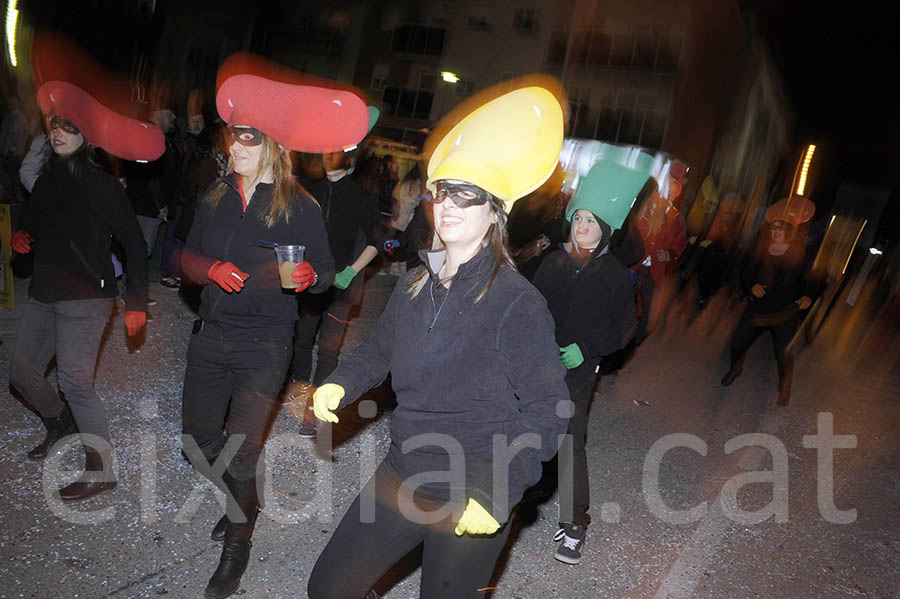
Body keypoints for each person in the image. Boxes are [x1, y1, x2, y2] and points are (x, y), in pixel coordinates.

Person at [307, 86, 570, 599]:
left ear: (494, 213)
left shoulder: (516, 302)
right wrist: (339, 384)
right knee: (329, 589)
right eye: (443, 190)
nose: (449, 203)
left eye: (467, 193)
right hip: (402, 473)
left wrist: (499, 490)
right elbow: (380, 349)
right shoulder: (414, 282)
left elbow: (548, 407)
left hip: (473, 489)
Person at [179, 62, 373, 598]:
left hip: (266, 343)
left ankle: (236, 545)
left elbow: (326, 275)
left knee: (241, 451)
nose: (234, 147)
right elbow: (180, 253)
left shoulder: (302, 207)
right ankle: (246, 498)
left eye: (245, 138)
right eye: (232, 136)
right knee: (197, 439)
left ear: (270, 147)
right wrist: (207, 269)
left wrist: (310, 278)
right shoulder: (214, 196)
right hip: (211, 333)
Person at [8, 80, 160, 501]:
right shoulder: (44, 181)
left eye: (69, 128)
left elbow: (133, 242)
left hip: (88, 298)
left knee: (75, 381)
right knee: (21, 373)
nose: (58, 133)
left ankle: (102, 469)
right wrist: (22, 239)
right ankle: (59, 425)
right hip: (45, 292)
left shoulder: (102, 185)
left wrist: (134, 303)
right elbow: (35, 229)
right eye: (55, 125)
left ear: (86, 136)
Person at [530, 147, 650, 564]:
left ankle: (574, 524)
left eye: (590, 221)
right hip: (537, 362)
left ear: (604, 228)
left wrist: (588, 350)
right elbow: (531, 308)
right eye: (578, 218)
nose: (582, 226)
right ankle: (502, 497)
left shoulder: (617, 276)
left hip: (580, 370)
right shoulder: (553, 262)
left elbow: (625, 328)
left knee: (569, 441)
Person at [286, 147, 380, 437]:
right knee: (301, 339)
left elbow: (376, 240)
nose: (327, 156)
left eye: (335, 153)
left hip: (341, 284)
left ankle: (315, 411)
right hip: (312, 281)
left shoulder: (359, 196)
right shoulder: (310, 189)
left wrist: (351, 271)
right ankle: (298, 390)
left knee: (328, 349)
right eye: (325, 151)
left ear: (349, 160)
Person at [720, 196, 818, 406]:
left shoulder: (799, 255)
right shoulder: (761, 250)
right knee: (738, 342)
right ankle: (735, 368)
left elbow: (810, 279)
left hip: (785, 313)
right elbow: (746, 272)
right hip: (757, 310)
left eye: (780, 230)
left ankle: (784, 388)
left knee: (782, 354)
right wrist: (752, 285)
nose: (775, 233)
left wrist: (808, 295)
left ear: (789, 234)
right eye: (773, 229)